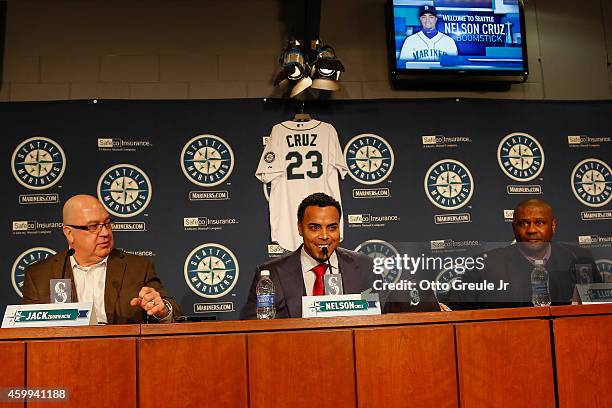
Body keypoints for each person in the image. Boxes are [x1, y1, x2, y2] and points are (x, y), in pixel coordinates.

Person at [241, 192, 440, 319]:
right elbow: (253, 327)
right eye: (314, 228)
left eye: (332, 227)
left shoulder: (364, 266)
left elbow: (381, 316)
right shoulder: (272, 274)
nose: (325, 236)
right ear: (300, 228)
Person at [22, 194, 181, 324]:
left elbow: (172, 311)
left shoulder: (137, 268)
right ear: (69, 233)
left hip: (123, 354)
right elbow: (27, 330)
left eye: (107, 223)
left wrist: (162, 310)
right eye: (93, 227)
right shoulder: (39, 275)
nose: (105, 233)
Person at [448, 199, 601, 309]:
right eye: (523, 223)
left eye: (539, 222)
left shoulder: (579, 259)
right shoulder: (485, 266)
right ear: (514, 228)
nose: (531, 230)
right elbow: (452, 311)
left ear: (553, 226)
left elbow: (601, 307)